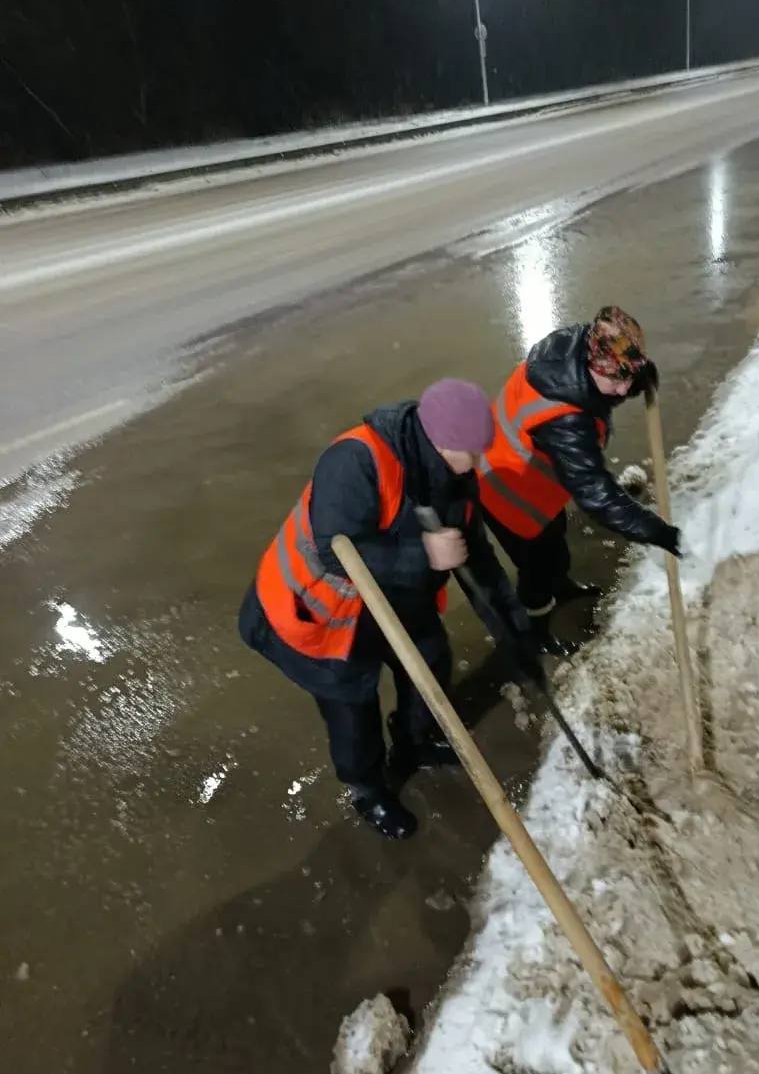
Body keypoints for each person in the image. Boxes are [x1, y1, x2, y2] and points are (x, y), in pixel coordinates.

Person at [238, 380, 538, 841]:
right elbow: (336, 548)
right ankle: (368, 789)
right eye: (473, 453)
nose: (479, 463)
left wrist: (517, 635)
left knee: (431, 658)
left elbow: (478, 562)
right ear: (442, 443)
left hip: (393, 600)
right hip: (320, 616)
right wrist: (425, 554)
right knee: (353, 712)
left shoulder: (453, 478)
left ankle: (414, 742)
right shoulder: (356, 460)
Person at [477, 306, 681, 654]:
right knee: (537, 568)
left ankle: (563, 587)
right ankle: (537, 631)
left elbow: (613, 375)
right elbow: (596, 494)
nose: (623, 388)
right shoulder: (564, 421)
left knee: (555, 543)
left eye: (628, 376)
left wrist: (635, 377)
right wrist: (658, 531)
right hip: (508, 494)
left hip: (533, 479)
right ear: (594, 366)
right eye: (617, 379)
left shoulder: (578, 347)